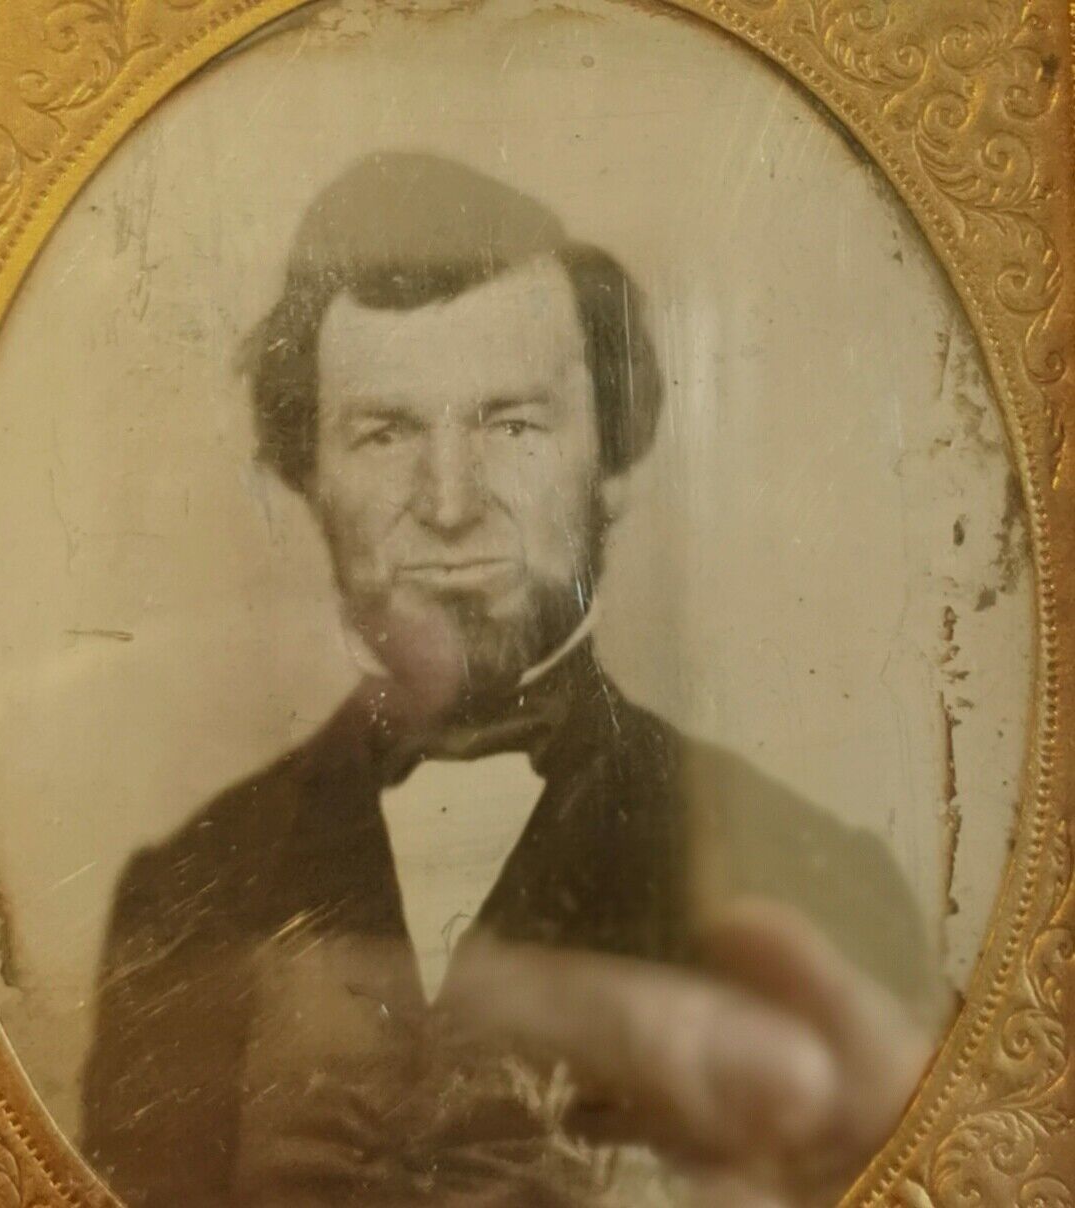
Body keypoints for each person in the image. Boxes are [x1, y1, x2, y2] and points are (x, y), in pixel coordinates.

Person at [80, 152, 938, 1208]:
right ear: (308, 473)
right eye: (385, 430)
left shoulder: (813, 886)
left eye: (510, 424)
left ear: (611, 456)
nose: (447, 502)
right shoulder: (181, 896)